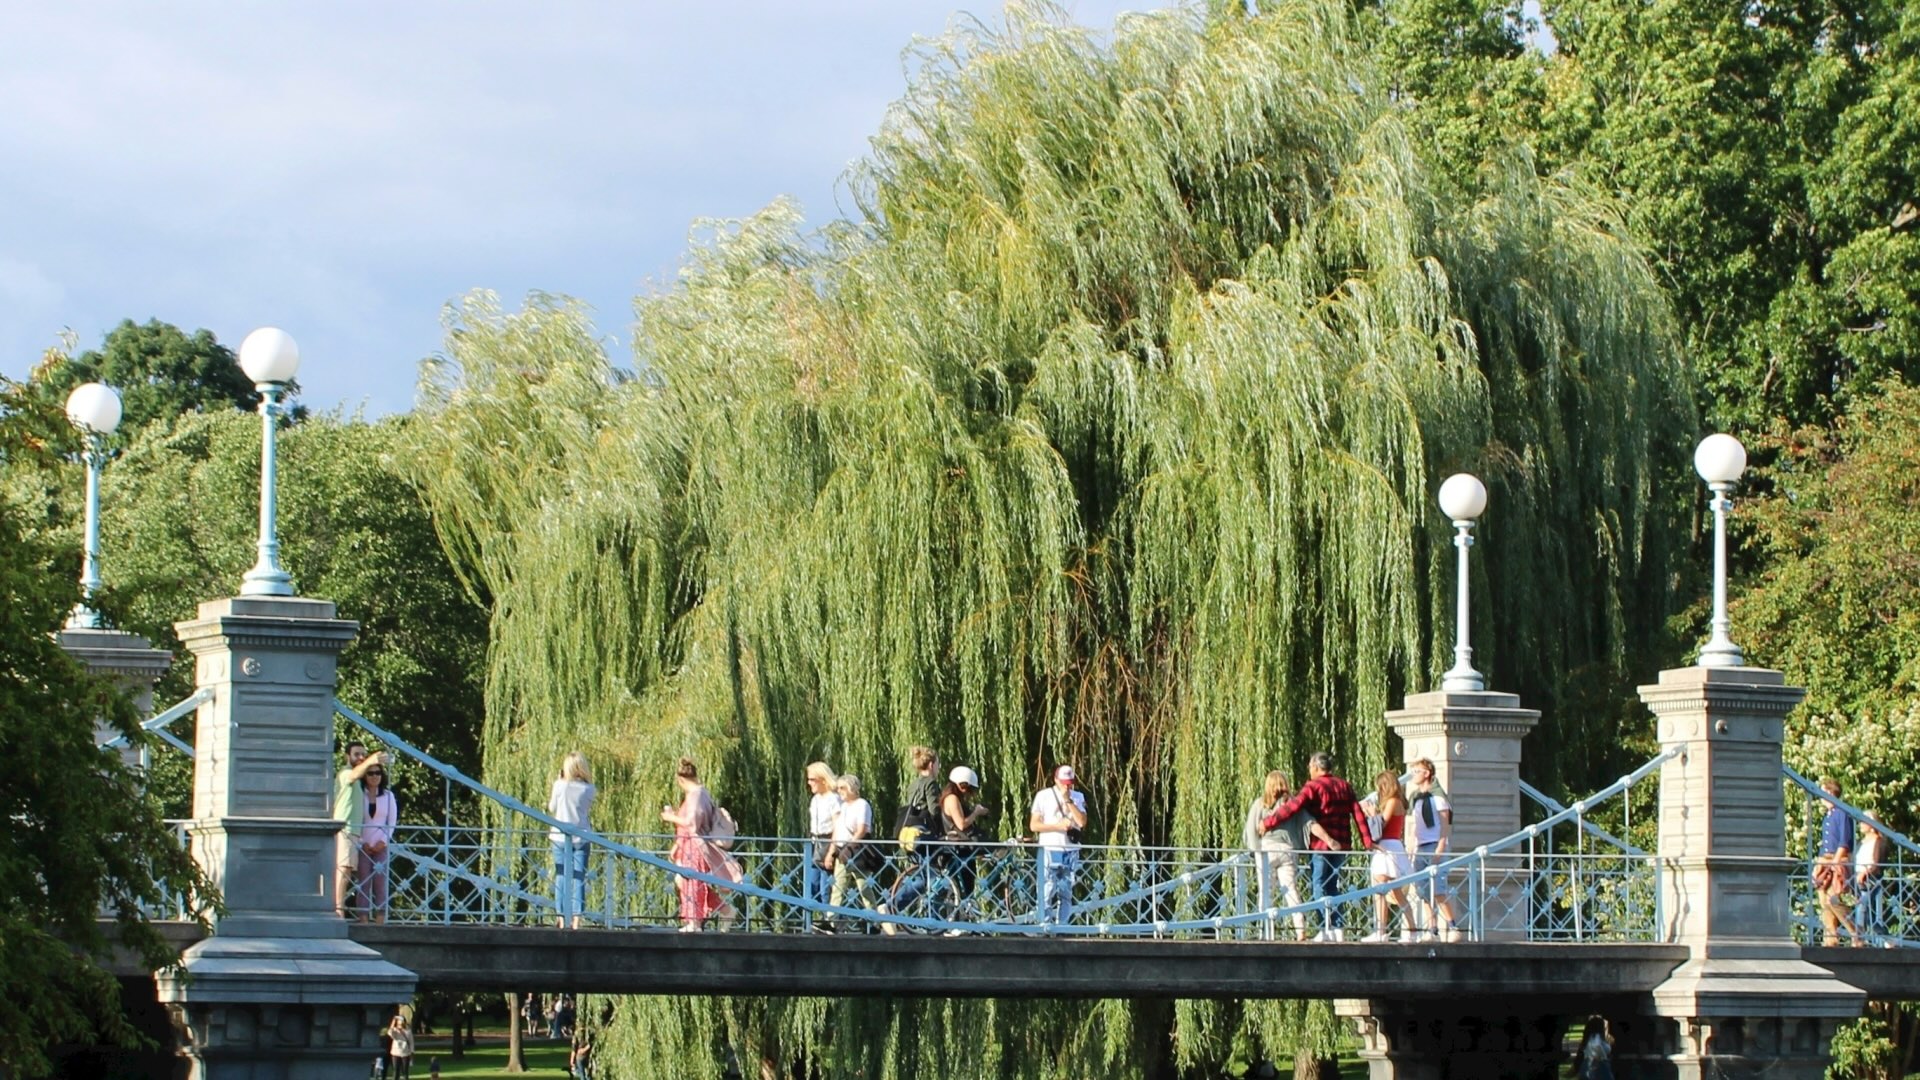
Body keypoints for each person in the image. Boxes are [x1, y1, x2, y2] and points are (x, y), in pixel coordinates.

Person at [1261, 751, 1373, 941]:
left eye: (1310, 768)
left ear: (1315, 767)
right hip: (1342, 844)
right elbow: (1358, 813)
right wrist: (1367, 841)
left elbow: (1292, 807)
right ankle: (1338, 928)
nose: (1309, 772)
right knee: (1333, 885)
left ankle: (1325, 928)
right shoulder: (1344, 786)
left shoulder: (1313, 787)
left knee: (1319, 884)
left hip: (1321, 845)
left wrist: (1268, 822)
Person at [885, 765, 990, 932]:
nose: (969, 793)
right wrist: (976, 812)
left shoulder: (944, 795)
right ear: (962, 785)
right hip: (956, 845)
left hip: (952, 845)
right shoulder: (951, 799)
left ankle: (956, 920)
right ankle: (932, 919)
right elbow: (961, 824)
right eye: (968, 789)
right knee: (935, 882)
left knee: (941, 881)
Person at [1243, 771, 1332, 939]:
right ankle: (1300, 930)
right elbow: (1310, 824)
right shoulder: (1294, 805)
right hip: (1288, 851)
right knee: (1291, 890)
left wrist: (1255, 850)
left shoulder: (1260, 804)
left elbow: (1250, 829)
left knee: (1266, 891)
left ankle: (1266, 931)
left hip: (1266, 851)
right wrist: (1329, 839)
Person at [661, 757, 726, 932]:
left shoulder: (696, 795)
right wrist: (677, 844)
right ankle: (722, 909)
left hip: (695, 846)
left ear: (680, 780)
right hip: (689, 845)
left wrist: (671, 817)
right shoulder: (701, 793)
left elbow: (692, 823)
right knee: (685, 881)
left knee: (691, 881)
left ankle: (694, 922)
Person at [1405, 758, 1461, 941]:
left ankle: (1453, 926)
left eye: (1416, 771)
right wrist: (1411, 849)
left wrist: (1440, 848)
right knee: (1423, 891)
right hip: (1421, 847)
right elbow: (1414, 826)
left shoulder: (1438, 797)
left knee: (1438, 889)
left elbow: (1445, 826)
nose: (1413, 775)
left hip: (1435, 845)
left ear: (1427, 773)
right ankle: (1432, 929)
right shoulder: (1416, 798)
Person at [1030, 765, 1088, 926]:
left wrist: (1068, 800)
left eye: (1070, 782)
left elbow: (1082, 822)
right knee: (1047, 890)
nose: (1067, 786)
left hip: (1070, 850)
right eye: (1064, 782)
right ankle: (1045, 925)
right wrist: (1059, 826)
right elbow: (1034, 825)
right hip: (1049, 848)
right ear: (1055, 779)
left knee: (1066, 891)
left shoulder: (1078, 796)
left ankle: (1063, 926)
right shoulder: (1043, 796)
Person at [333, 742, 384, 918]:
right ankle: (337, 910)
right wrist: (371, 761)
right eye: (356, 754)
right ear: (347, 757)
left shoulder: (357, 780)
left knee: (346, 870)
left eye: (363, 754)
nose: (360, 757)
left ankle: (339, 908)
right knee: (343, 869)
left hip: (353, 830)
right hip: (344, 828)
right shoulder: (345, 773)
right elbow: (355, 773)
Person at [1362, 770, 1414, 941]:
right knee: (1394, 891)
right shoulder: (1397, 801)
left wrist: (1371, 813)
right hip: (1390, 845)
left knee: (1381, 890)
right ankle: (1411, 930)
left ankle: (1381, 931)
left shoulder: (1393, 801)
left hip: (1388, 845)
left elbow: (1382, 823)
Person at [548, 751, 596, 929]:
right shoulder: (590, 789)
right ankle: (577, 919)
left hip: (559, 837)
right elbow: (584, 809)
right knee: (579, 878)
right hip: (581, 837)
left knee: (561, 875)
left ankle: (561, 917)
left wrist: (559, 780)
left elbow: (552, 807)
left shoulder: (560, 785)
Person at [825, 773, 876, 929]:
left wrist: (849, 847)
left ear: (852, 788)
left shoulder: (862, 805)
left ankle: (874, 921)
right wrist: (831, 852)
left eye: (842, 788)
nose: (839, 791)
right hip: (842, 852)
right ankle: (831, 922)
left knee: (864, 888)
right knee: (837, 888)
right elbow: (838, 831)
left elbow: (862, 830)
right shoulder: (844, 806)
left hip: (857, 852)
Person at [1816, 776, 1861, 946]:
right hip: (1826, 860)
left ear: (1829, 792)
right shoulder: (1828, 816)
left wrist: (1835, 862)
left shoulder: (1842, 813)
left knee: (1834, 899)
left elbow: (1844, 841)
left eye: (1822, 791)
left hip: (1837, 859)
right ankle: (1830, 938)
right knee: (1823, 902)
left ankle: (1855, 932)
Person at [357, 760, 399, 922]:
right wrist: (362, 841)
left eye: (378, 773)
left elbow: (392, 821)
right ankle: (363, 916)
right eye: (371, 773)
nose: (375, 776)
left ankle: (381, 915)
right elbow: (357, 820)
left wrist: (384, 841)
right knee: (364, 880)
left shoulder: (388, 796)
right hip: (363, 844)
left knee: (380, 881)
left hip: (381, 844)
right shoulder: (360, 794)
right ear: (365, 776)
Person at [804, 761, 839, 918]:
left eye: (812, 779)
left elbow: (838, 827)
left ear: (823, 779)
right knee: (812, 886)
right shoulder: (815, 799)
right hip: (815, 843)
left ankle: (833, 921)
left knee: (827, 888)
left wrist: (831, 852)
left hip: (828, 843)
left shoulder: (834, 799)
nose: (809, 783)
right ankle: (814, 921)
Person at [1856, 818, 1886, 945]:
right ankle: (1887, 939)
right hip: (1858, 878)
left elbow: (1874, 861)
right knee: (1867, 914)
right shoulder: (1862, 841)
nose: (1860, 824)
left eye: (1864, 821)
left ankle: (1858, 940)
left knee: (1861, 908)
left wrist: (1865, 872)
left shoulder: (1876, 840)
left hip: (1869, 879)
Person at [1576, 1014, 1614, 1080]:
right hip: (1599, 1066)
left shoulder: (1590, 1038)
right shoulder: (1596, 1037)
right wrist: (1603, 1057)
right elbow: (1597, 1047)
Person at [387, 1014, 414, 1080]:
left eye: (401, 1022)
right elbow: (390, 1033)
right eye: (398, 1022)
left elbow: (411, 1042)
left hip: (405, 1053)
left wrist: (412, 1052)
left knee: (405, 1072)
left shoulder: (408, 1031)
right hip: (395, 1053)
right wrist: (393, 1022)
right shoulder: (395, 1030)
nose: (400, 1024)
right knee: (396, 1071)